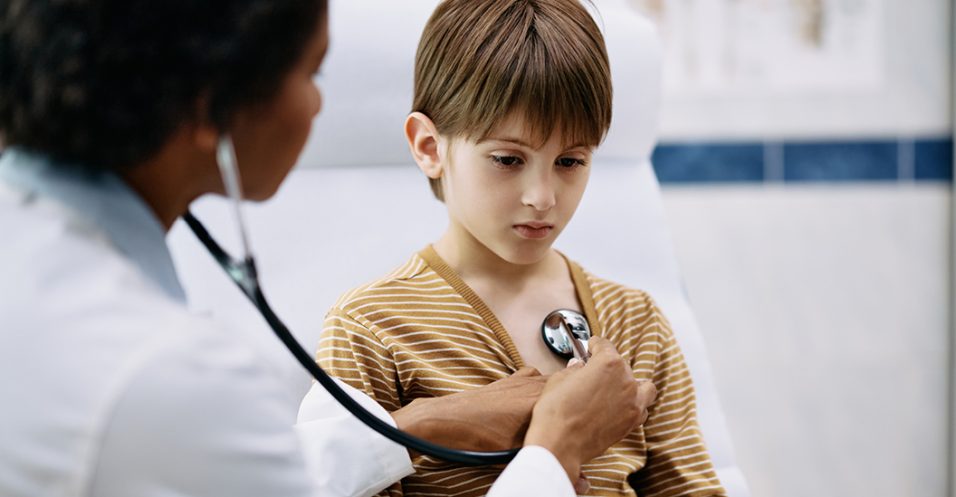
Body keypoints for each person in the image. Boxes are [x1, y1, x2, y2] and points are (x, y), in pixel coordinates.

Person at [0, 1, 656, 496]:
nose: (318, 106)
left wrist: (423, 423)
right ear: (212, 109)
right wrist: (555, 447)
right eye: (311, 72)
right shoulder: (165, 375)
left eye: (571, 160)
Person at [312, 0, 728, 496]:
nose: (543, 197)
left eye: (571, 161)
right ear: (429, 147)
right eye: (509, 159)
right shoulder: (370, 329)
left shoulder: (636, 320)